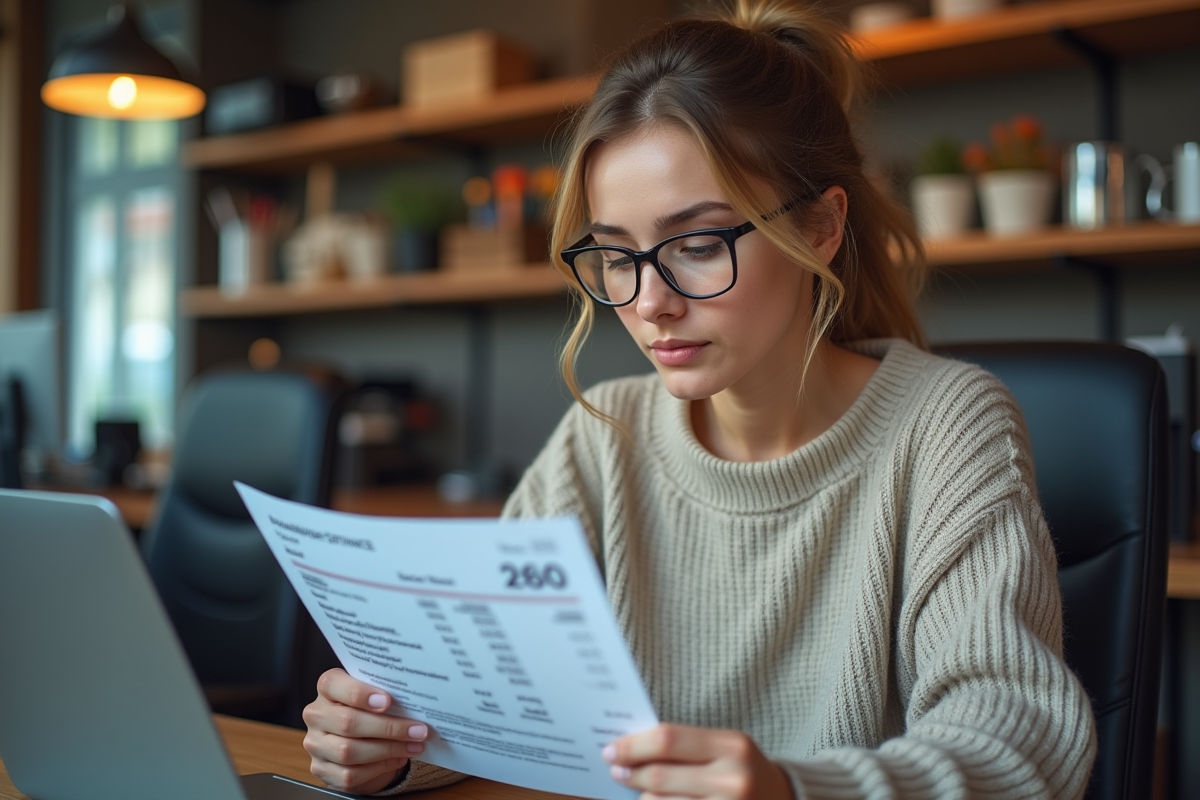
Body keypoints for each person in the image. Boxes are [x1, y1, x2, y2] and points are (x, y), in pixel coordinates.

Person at [299, 1, 1097, 797]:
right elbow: (500, 714)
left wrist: (792, 789)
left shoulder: (945, 424)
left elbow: (1018, 741)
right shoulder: (603, 437)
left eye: (697, 244)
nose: (649, 302)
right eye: (616, 255)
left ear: (821, 226)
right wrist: (392, 741)